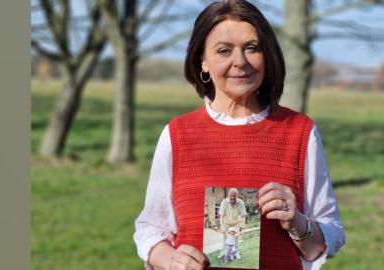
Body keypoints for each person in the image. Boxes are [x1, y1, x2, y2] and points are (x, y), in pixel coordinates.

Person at [133, 1, 345, 269]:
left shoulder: (299, 131)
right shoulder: (177, 134)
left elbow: (328, 238)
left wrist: (297, 222)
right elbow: (151, 226)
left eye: (252, 48)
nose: (240, 62)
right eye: (224, 51)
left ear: (267, 56)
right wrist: (169, 258)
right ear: (203, 62)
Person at [217, 188, 246, 260]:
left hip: (236, 223)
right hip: (226, 222)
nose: (232, 197)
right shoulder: (224, 202)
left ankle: (236, 253)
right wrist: (222, 226)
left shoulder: (241, 203)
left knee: (236, 238)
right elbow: (221, 216)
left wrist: (242, 227)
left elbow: (243, 216)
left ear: (237, 195)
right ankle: (223, 252)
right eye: (231, 195)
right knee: (225, 238)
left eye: (234, 196)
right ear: (228, 195)